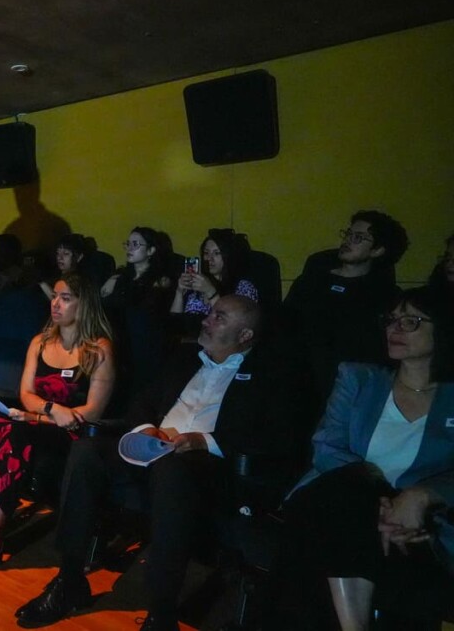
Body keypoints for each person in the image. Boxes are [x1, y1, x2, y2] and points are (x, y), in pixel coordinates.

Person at [15, 295, 298, 630]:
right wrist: (146, 427)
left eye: (219, 317)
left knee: (172, 469)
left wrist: (200, 441)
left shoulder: (269, 374)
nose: (206, 320)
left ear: (245, 335)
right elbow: (143, 401)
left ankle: (161, 612)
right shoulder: (185, 357)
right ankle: (70, 578)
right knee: (87, 451)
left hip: (208, 464)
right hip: (153, 447)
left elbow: (272, 437)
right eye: (209, 314)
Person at [268, 287, 453, 631]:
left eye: (410, 321)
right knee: (344, 502)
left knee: (339, 545)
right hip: (333, 497)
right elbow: (327, 446)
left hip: (413, 523)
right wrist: (376, 498)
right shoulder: (359, 378)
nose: (394, 328)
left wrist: (420, 496)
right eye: (391, 320)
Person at [0, 273, 115, 577]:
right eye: (54, 296)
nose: (55, 304)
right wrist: (48, 410)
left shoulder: (99, 349)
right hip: (39, 421)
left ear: (84, 305)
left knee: (15, 434)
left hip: (72, 434)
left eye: (65, 298)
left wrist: (46, 417)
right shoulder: (40, 342)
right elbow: (26, 394)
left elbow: (93, 410)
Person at [282, 210, 408, 406]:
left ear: (377, 250)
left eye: (359, 237)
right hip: (298, 378)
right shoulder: (310, 282)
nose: (348, 240)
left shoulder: (386, 295)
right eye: (349, 234)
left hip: (352, 387)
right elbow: (283, 326)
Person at [100, 227, 175, 399]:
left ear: (151, 250)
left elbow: (152, 313)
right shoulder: (121, 277)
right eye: (128, 244)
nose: (130, 248)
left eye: (136, 244)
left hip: (145, 345)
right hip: (119, 341)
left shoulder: (160, 280)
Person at [171, 228, 258, 316]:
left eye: (217, 253)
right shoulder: (199, 281)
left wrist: (210, 292)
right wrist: (179, 292)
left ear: (229, 256)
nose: (209, 258)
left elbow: (235, 321)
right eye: (206, 253)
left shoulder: (243, 287)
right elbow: (174, 320)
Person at [39, 234, 87, 299]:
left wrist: (41, 282)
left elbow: (61, 300)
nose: (60, 257)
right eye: (58, 253)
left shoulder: (78, 280)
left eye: (66, 254)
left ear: (79, 257)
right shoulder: (56, 274)